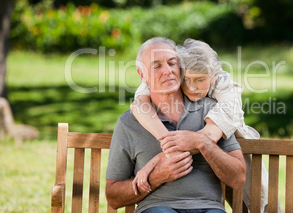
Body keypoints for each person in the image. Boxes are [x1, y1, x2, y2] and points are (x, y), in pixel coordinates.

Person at [130, 38, 282, 213]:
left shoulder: (227, 91)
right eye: (187, 80)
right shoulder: (174, 76)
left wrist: (151, 165)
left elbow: (203, 138)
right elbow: (139, 104)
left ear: (214, 77)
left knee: (259, 202)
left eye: (200, 80)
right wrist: (168, 144)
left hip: (232, 151)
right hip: (202, 174)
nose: (192, 88)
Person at [105, 37, 246, 213]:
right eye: (157, 66)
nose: (168, 71)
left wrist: (203, 143)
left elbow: (238, 178)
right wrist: (156, 177)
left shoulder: (212, 112)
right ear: (142, 75)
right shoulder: (129, 122)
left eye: (172, 63)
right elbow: (113, 197)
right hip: (158, 208)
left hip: (209, 208)